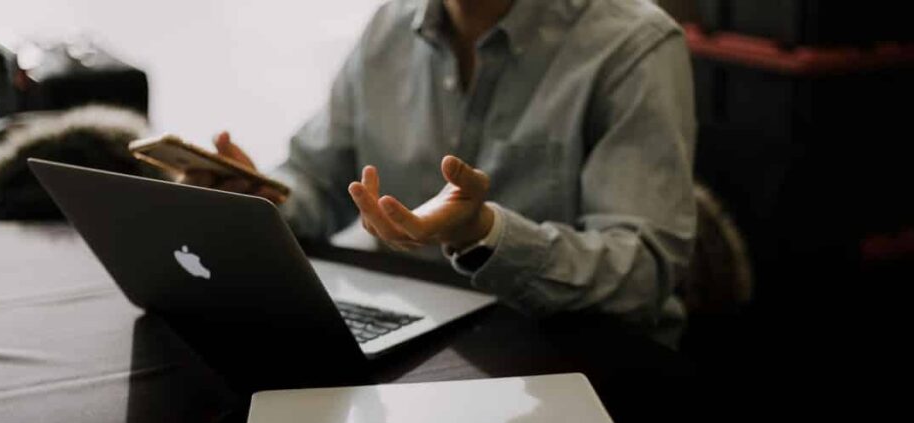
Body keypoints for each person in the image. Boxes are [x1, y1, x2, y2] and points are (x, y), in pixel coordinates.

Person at [187, 0, 697, 346]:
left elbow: (643, 273)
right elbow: (316, 179)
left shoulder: (633, 44)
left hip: (578, 357)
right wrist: (261, 198)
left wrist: (488, 234)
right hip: (418, 333)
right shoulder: (390, 26)